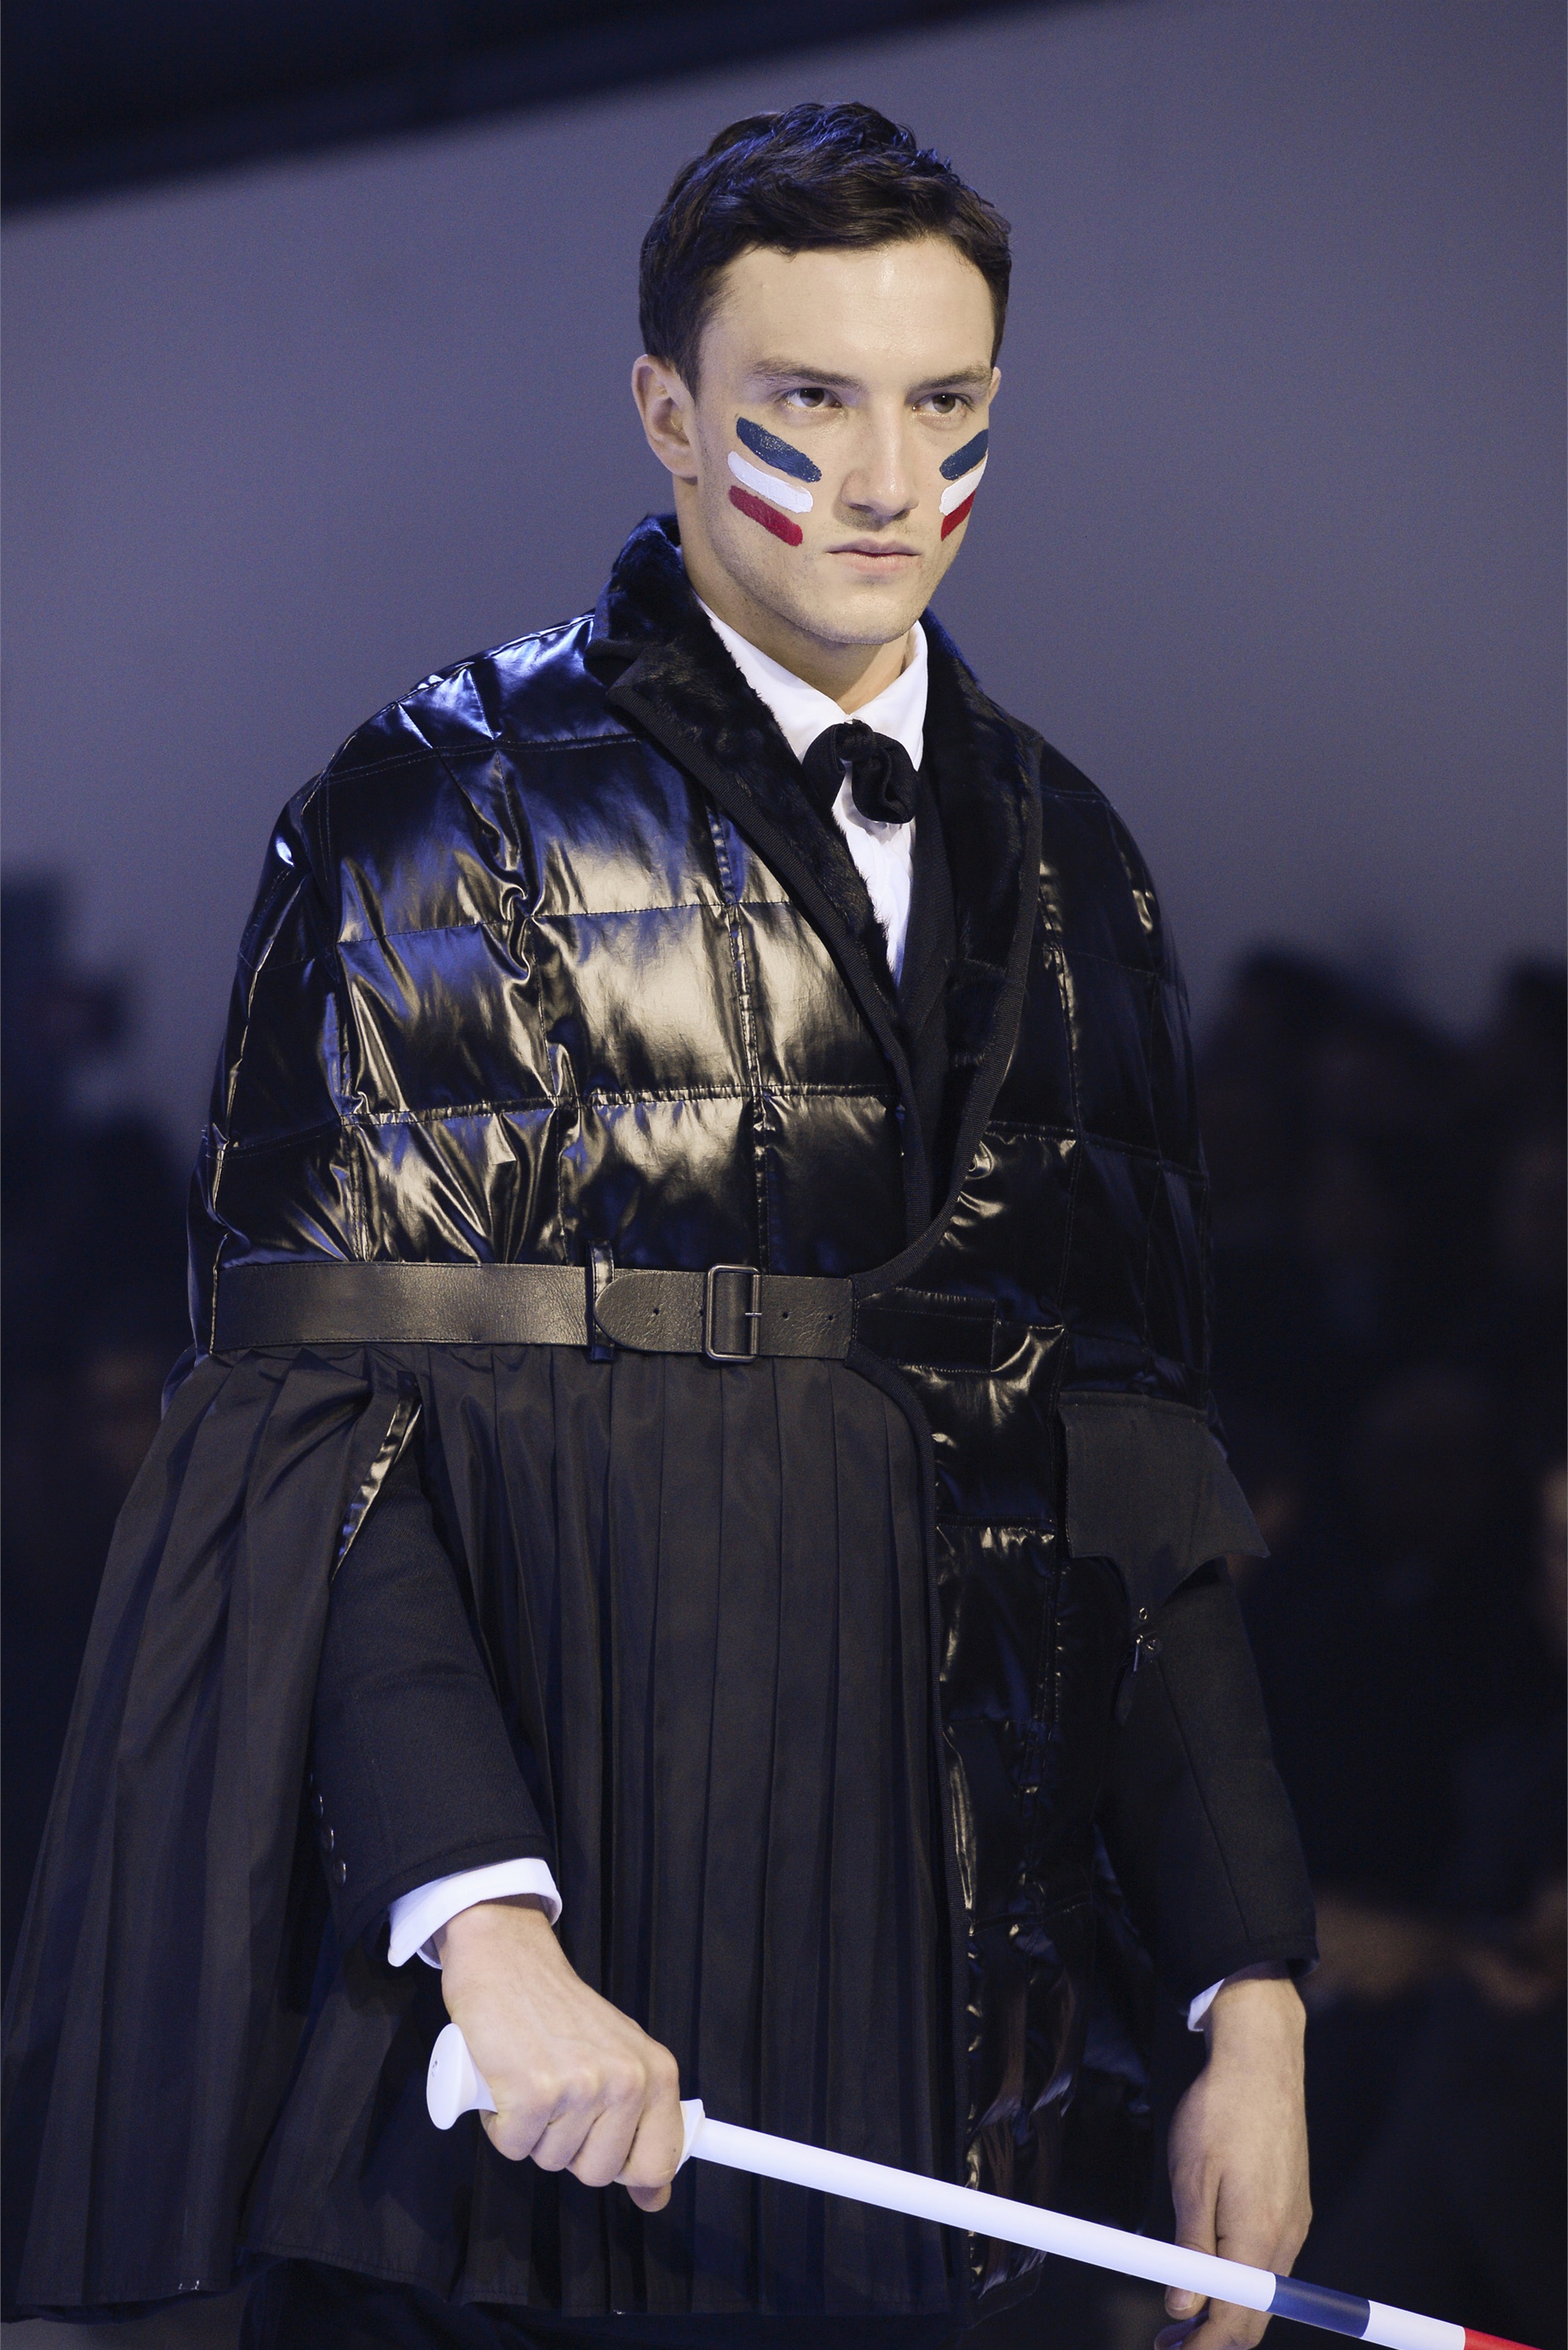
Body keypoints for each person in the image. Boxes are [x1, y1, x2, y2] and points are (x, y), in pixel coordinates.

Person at [3, 105, 1317, 2350]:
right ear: (669, 411)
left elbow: (1134, 1467)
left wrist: (1250, 1989)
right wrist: (482, 1920)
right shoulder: (436, 813)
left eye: (946, 404)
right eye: (811, 399)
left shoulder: (1077, 861)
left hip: (974, 2105)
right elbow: (314, 1439)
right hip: (540, 2096)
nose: (889, 478)